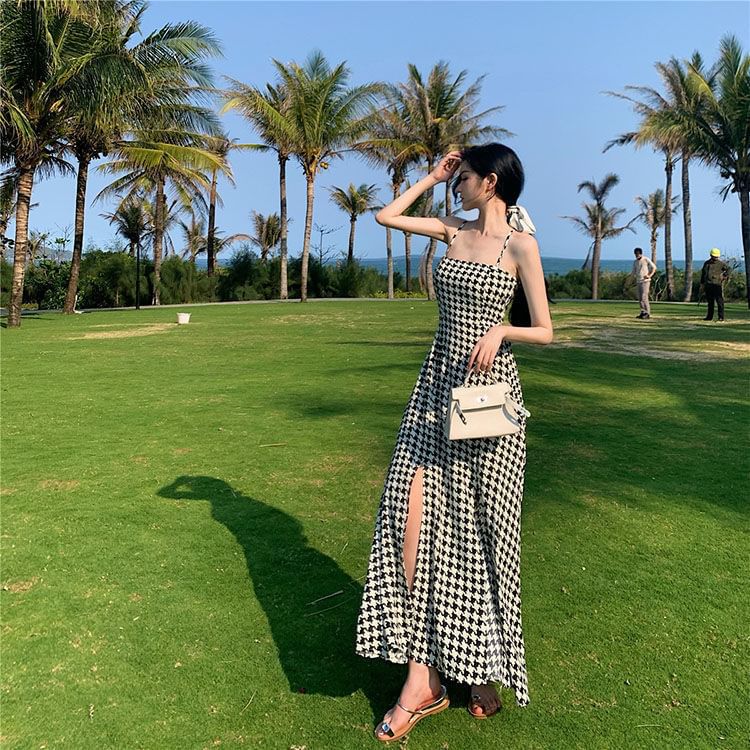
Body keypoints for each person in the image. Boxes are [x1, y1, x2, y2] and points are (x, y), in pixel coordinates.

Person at [355, 143, 553, 742]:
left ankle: (481, 668)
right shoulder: (451, 229)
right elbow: (386, 216)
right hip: (435, 390)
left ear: (489, 183)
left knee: (485, 533)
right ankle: (422, 679)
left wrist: (503, 329)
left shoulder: (520, 245)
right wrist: (431, 174)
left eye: (462, 177)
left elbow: (546, 330)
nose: (456, 185)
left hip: (489, 404)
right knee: (410, 519)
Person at [700, 248, 729, 321]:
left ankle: (721, 317)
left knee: (720, 302)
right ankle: (709, 317)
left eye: (716, 257)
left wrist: (724, 276)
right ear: (711, 255)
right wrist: (702, 284)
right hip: (708, 285)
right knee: (710, 302)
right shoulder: (706, 263)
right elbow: (703, 274)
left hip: (717, 285)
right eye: (714, 256)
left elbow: (727, 271)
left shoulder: (721, 264)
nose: (715, 258)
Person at [630, 247, 656, 319]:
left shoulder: (646, 259)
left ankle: (647, 313)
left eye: (638, 254)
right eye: (635, 254)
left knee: (644, 297)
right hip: (638, 281)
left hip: (645, 281)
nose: (636, 255)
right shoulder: (635, 262)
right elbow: (633, 272)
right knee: (640, 298)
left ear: (641, 253)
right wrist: (629, 280)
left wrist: (649, 275)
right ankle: (643, 312)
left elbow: (654, 267)